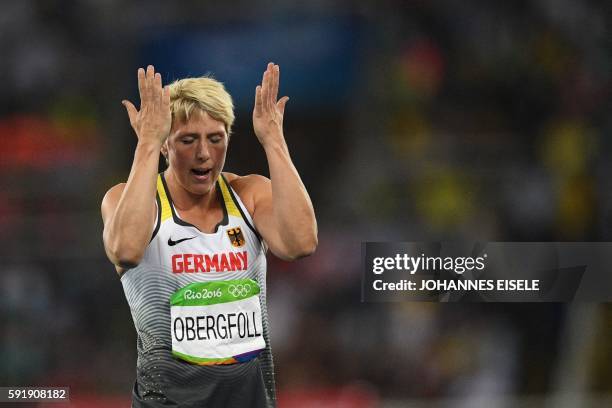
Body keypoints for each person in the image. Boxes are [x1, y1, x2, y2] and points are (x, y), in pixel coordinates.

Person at [101, 63, 317, 407]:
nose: (204, 153)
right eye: (188, 140)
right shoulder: (127, 200)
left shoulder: (249, 195)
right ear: (165, 146)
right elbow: (125, 249)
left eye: (215, 138)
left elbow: (301, 243)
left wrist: (274, 141)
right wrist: (146, 144)